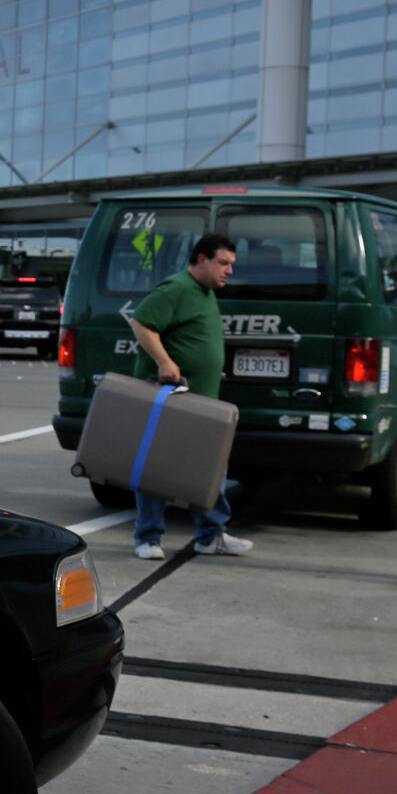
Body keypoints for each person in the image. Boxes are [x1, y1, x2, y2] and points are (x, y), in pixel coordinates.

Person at [126, 233, 250, 560]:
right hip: (171, 400)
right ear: (201, 260)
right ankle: (148, 538)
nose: (229, 271)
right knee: (157, 468)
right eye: (223, 263)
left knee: (209, 470)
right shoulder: (177, 288)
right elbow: (141, 323)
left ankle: (211, 535)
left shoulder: (205, 292)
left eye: (232, 265)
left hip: (201, 403)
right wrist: (165, 362)